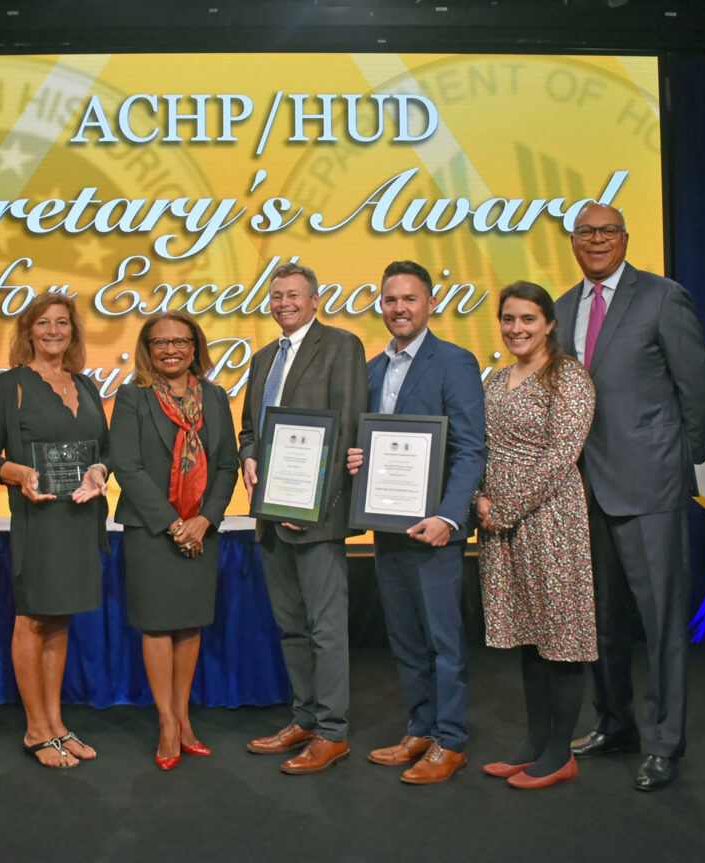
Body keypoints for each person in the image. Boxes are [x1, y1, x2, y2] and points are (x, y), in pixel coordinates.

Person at [555, 203, 705, 792]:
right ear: (572, 242)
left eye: (607, 232)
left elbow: (697, 385)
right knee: (600, 623)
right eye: (585, 233)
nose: (595, 241)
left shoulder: (661, 296)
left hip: (652, 487)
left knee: (662, 623)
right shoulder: (562, 307)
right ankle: (615, 723)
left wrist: (682, 458)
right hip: (584, 489)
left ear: (625, 239)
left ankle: (665, 743)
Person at [344, 260, 486, 785]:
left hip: (436, 531)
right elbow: (369, 442)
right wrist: (355, 461)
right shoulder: (372, 369)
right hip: (387, 526)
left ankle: (451, 741)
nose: (399, 308)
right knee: (405, 636)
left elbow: (472, 449)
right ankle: (420, 728)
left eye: (409, 299)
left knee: (443, 641)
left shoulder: (454, 362)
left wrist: (450, 516)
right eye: (389, 300)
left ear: (430, 304)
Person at [238, 261, 368, 775]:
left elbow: (347, 427)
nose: (284, 302)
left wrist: (311, 505)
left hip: (316, 518)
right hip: (271, 514)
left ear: (315, 301)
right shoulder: (263, 358)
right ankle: (305, 719)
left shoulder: (342, 346)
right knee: (291, 626)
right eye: (276, 295)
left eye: (294, 294)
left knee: (325, 628)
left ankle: (333, 732)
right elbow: (251, 428)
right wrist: (249, 455)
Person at [0, 292, 109, 769]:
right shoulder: (7, 385)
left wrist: (100, 471)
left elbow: (105, 450)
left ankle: (55, 722)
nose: (54, 331)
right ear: (28, 331)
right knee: (33, 617)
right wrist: (20, 476)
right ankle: (35, 730)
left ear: (73, 332)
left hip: (81, 519)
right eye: (43, 323)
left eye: (63, 324)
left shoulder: (88, 386)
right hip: (39, 519)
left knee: (61, 619)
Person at [476, 281, 597, 790]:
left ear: (549, 323)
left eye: (528, 319)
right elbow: (479, 448)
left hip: (551, 522)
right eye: (508, 318)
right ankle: (531, 744)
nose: (516, 328)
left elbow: (558, 458)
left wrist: (503, 507)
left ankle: (558, 753)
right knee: (529, 635)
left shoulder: (569, 378)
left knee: (561, 638)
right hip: (499, 526)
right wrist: (478, 499)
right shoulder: (496, 379)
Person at [108, 311, 240, 771]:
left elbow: (227, 465)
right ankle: (166, 723)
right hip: (152, 530)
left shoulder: (217, 397)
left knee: (190, 624)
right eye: (160, 343)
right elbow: (126, 465)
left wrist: (204, 520)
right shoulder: (132, 397)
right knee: (159, 625)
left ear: (194, 347)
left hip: (201, 530)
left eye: (180, 342)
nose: (170, 350)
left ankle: (184, 719)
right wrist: (173, 523)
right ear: (148, 348)